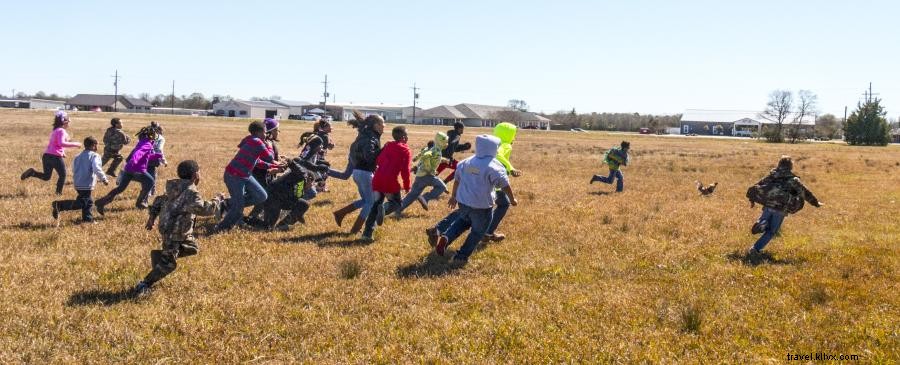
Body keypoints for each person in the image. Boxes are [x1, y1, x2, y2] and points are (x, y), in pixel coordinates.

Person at [134, 160, 225, 295]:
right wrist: (217, 199)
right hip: (175, 232)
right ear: (195, 175)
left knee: (192, 248)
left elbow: (159, 200)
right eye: (199, 172)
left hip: (170, 228)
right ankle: (144, 284)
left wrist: (152, 218)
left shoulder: (173, 186)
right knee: (169, 265)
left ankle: (163, 255)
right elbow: (204, 209)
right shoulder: (191, 192)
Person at [431, 135, 518, 263]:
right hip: (482, 207)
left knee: (463, 221)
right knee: (478, 232)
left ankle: (446, 237)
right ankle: (461, 256)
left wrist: (454, 196)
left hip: (463, 203)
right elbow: (504, 185)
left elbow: (457, 180)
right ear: (493, 149)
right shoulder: (494, 166)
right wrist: (512, 199)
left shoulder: (466, 162)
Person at [214, 121, 284, 232]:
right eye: (265, 132)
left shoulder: (251, 140)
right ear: (259, 132)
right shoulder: (257, 141)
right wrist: (269, 145)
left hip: (245, 175)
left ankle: (228, 204)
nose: (266, 134)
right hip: (234, 176)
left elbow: (257, 161)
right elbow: (270, 157)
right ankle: (221, 228)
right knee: (238, 207)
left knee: (262, 196)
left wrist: (274, 165)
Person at [746, 156, 822, 256]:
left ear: (779, 164)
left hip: (768, 205)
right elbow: (805, 193)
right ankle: (755, 249)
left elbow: (757, 186)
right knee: (771, 231)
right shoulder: (793, 180)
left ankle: (762, 223)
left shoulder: (772, 176)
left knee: (765, 222)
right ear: (790, 166)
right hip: (781, 209)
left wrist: (752, 200)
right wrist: (815, 203)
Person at [332, 111, 384, 234]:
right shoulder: (371, 138)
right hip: (365, 173)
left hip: (358, 172)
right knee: (370, 202)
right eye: (382, 124)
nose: (384, 126)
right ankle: (355, 230)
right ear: (376, 125)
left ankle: (340, 213)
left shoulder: (364, 135)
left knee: (365, 200)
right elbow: (369, 157)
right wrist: (383, 150)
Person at [95, 126, 163, 213]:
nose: (155, 136)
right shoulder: (147, 144)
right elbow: (138, 153)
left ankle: (101, 202)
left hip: (128, 169)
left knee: (121, 188)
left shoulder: (142, 142)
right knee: (150, 181)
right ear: (150, 136)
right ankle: (140, 203)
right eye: (154, 135)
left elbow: (145, 155)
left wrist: (157, 155)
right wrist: (134, 160)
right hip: (136, 169)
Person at [360, 126, 412, 241]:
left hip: (377, 179)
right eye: (407, 135)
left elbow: (378, 160)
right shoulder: (405, 150)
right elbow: (405, 171)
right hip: (390, 181)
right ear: (404, 137)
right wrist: (407, 185)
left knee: (375, 206)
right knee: (396, 203)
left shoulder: (388, 146)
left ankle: (366, 234)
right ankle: (384, 208)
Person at [21, 111, 81, 195]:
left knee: (46, 177)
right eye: (68, 122)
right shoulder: (61, 131)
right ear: (64, 122)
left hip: (46, 156)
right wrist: (76, 144)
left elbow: (54, 144)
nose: (69, 124)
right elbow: (61, 143)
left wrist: (62, 152)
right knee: (63, 175)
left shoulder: (55, 130)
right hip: (55, 157)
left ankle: (32, 172)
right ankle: (58, 193)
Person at [388, 132, 449, 216]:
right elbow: (426, 156)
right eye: (445, 141)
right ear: (440, 141)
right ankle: (425, 198)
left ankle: (397, 210)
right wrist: (430, 169)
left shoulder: (436, 149)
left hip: (421, 175)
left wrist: (443, 160)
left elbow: (433, 157)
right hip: (427, 175)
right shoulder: (436, 150)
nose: (447, 143)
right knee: (442, 187)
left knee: (412, 195)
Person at [51, 137, 109, 224]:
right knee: (83, 203)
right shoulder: (94, 156)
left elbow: (73, 168)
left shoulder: (78, 156)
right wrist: (103, 178)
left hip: (78, 182)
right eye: (96, 145)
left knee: (88, 202)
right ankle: (59, 205)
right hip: (86, 183)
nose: (97, 148)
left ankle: (87, 219)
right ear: (93, 146)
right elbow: (97, 168)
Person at [483, 122, 523, 242]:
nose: (514, 137)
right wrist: (510, 168)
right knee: (504, 204)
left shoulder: (493, 143)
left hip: (486, 177)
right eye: (513, 134)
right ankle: (488, 232)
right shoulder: (505, 145)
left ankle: (486, 231)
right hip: (496, 181)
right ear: (508, 134)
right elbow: (498, 155)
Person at [245, 118, 281, 224]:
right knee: (261, 197)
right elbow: (262, 160)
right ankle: (227, 205)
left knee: (262, 198)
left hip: (263, 175)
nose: (278, 132)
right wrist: (273, 169)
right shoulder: (266, 143)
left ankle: (251, 218)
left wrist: (279, 159)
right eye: (276, 130)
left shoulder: (269, 142)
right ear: (269, 132)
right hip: (260, 175)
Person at [146, 121, 168, 196]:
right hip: (153, 159)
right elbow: (159, 149)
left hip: (143, 157)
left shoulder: (146, 135)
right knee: (152, 175)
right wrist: (164, 160)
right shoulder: (160, 138)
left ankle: (150, 191)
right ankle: (150, 192)